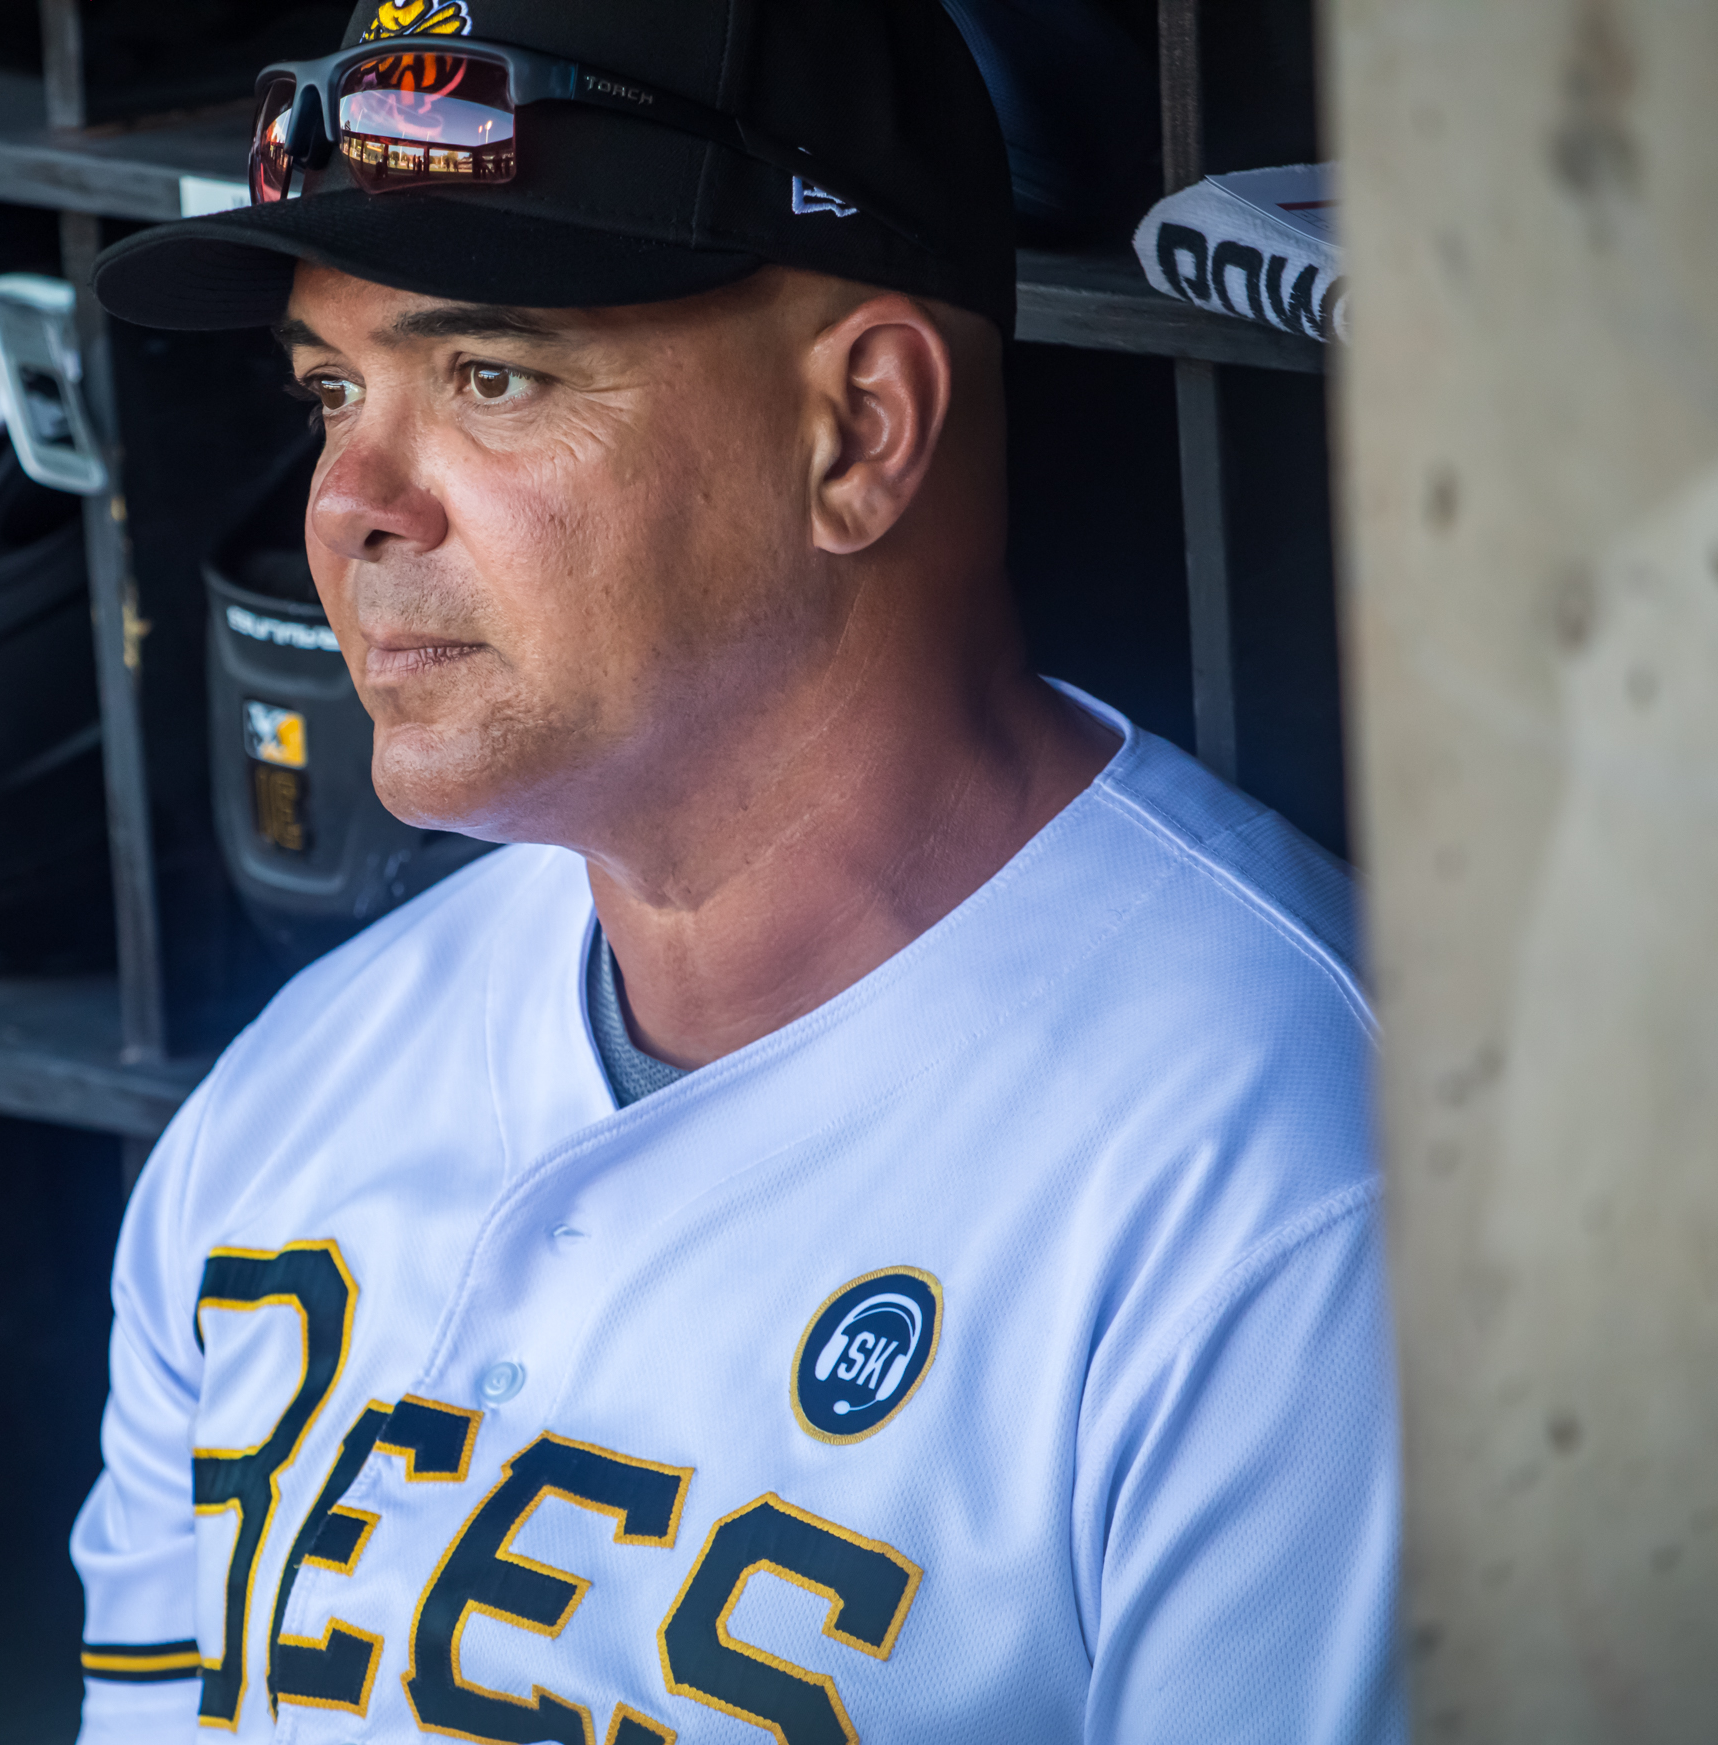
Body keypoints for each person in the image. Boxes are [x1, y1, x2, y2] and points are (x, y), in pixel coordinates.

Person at [72, 2, 1402, 1740]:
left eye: (491, 376)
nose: (350, 505)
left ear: (859, 431)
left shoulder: (1287, 1192)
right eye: (334, 390)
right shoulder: (287, 1103)